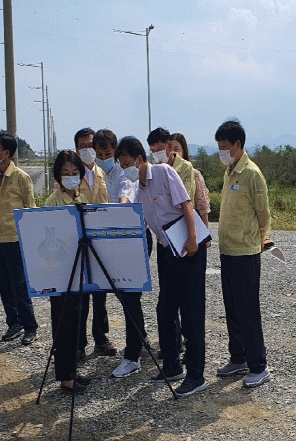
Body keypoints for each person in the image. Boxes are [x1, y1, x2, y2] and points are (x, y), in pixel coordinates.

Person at [115, 136, 208, 397]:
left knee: (191, 313)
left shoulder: (164, 172)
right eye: (122, 165)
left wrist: (192, 238)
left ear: (139, 159)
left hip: (189, 246)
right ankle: (172, 365)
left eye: (127, 163)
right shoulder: (139, 190)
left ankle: (196, 376)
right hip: (169, 250)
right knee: (165, 309)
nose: (125, 169)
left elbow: (186, 204)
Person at [215, 119, 272, 388]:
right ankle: (238, 358)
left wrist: (261, 240)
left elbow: (264, 214)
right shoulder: (229, 171)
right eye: (219, 147)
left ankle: (258, 365)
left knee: (248, 311)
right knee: (232, 309)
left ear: (238, 145)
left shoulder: (252, 174)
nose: (221, 152)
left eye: (224, 147)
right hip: (227, 251)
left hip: (246, 253)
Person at [92, 129, 152, 379]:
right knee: (126, 295)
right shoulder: (97, 174)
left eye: (108, 153)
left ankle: (132, 357)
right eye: (99, 154)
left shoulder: (122, 172)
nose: (104, 158)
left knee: (130, 296)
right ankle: (141, 336)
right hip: (114, 238)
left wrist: (120, 210)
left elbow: (126, 196)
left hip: (132, 237)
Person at [44, 150, 92, 394]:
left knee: (77, 322)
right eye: (66, 173)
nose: (71, 177)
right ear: (58, 176)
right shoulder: (52, 202)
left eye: (75, 173)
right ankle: (65, 378)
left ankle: (72, 370)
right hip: (61, 272)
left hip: (80, 270)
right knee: (63, 325)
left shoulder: (81, 198)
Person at [0, 133, 38, 345]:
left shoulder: (21, 177)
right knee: (5, 286)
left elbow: (30, 209)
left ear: (6, 152)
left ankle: (30, 327)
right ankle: (14, 324)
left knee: (19, 285)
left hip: (15, 239)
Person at [74, 127, 116, 358]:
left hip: (101, 241)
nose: (87, 150)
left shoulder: (104, 173)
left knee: (100, 295)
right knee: (80, 296)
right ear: (76, 149)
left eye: (90, 145)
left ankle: (101, 339)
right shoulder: (71, 175)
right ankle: (79, 343)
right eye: (82, 146)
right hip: (79, 242)